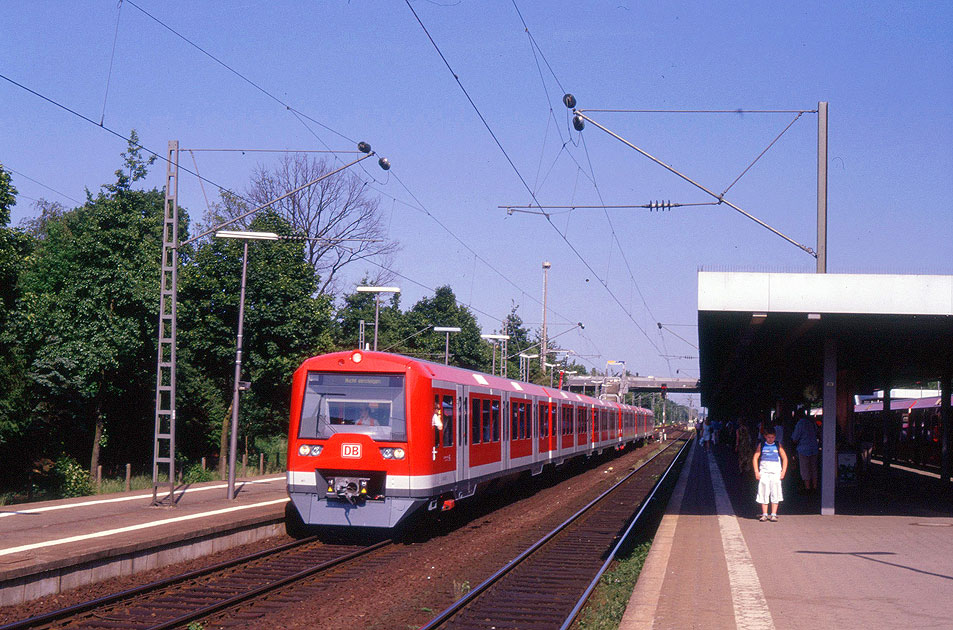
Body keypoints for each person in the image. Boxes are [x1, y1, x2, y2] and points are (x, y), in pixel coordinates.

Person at [753, 427, 788, 522]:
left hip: (775, 471)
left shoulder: (777, 445)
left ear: (775, 437)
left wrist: (783, 471)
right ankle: (764, 514)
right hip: (764, 471)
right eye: (768, 437)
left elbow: (784, 458)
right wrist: (756, 471)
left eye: (772, 437)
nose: (770, 439)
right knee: (763, 490)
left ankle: (773, 514)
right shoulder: (762, 445)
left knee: (775, 490)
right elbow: (755, 457)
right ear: (765, 437)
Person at [791, 409, 819, 493]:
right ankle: (814, 486)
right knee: (813, 468)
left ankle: (807, 488)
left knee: (805, 469)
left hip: (803, 449)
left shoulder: (800, 423)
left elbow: (795, 438)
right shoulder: (811, 422)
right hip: (814, 448)